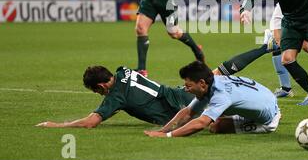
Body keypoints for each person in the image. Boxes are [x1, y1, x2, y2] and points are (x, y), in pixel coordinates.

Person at [144, 61, 280, 137]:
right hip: (267, 98)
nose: (185, 89)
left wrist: (168, 136)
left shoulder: (221, 95)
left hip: (267, 120)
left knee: (215, 126)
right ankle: (273, 111)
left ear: (202, 83)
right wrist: (163, 130)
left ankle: (274, 119)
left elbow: (201, 123)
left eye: (188, 86)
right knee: (216, 114)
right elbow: (188, 112)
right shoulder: (213, 82)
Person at [36, 66, 194, 128]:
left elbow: (91, 123)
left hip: (183, 110)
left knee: (215, 125)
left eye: (97, 91)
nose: (100, 95)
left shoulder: (117, 96)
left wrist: (57, 125)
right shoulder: (123, 70)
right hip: (184, 92)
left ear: (101, 86)